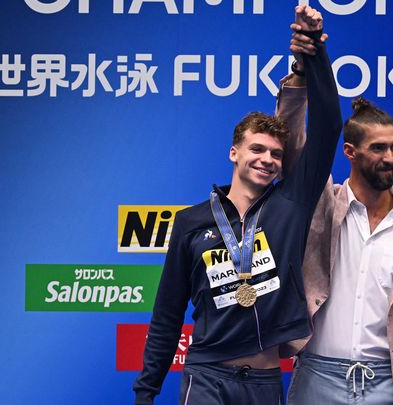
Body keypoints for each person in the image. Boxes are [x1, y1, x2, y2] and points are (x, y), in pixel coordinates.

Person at [132, 6, 342, 405]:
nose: (267, 159)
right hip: (206, 376)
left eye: (276, 154)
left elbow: (329, 125)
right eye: (256, 148)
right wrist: (146, 393)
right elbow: (167, 314)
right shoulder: (191, 221)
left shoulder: (291, 204)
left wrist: (313, 51)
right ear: (233, 152)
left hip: (263, 383)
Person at [280, 34, 393, 405]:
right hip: (315, 377)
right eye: (378, 148)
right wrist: (300, 72)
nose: (389, 157)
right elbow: (291, 148)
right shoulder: (322, 203)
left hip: (387, 385)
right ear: (350, 152)